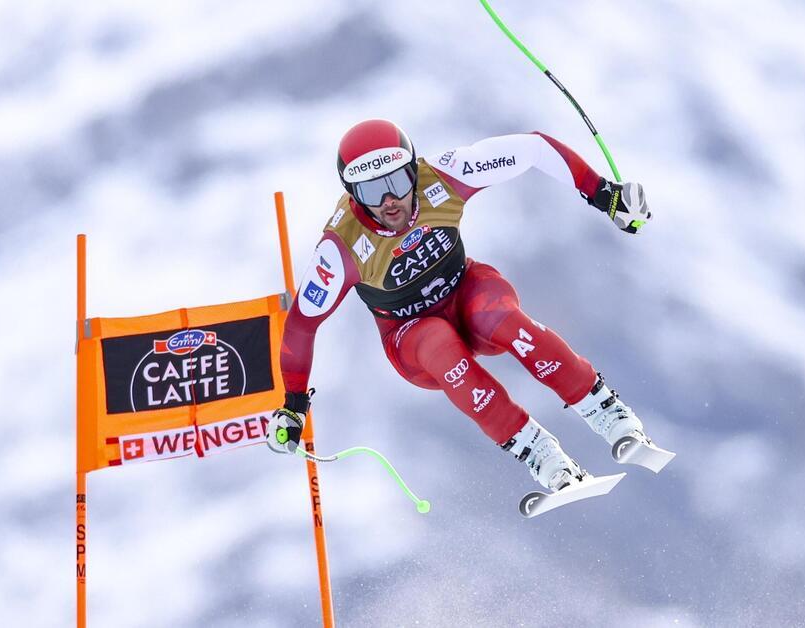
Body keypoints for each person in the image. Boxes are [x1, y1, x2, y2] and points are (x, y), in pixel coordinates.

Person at [266, 118, 656, 494]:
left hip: (466, 292)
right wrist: (294, 405)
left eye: (397, 182)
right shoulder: (341, 247)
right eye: (371, 192)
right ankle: (544, 459)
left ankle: (611, 415)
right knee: (438, 342)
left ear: (413, 170)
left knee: (501, 317)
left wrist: (604, 194)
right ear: (352, 193)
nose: (389, 202)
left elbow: (534, 148)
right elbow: (301, 325)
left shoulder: (443, 176)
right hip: (410, 336)